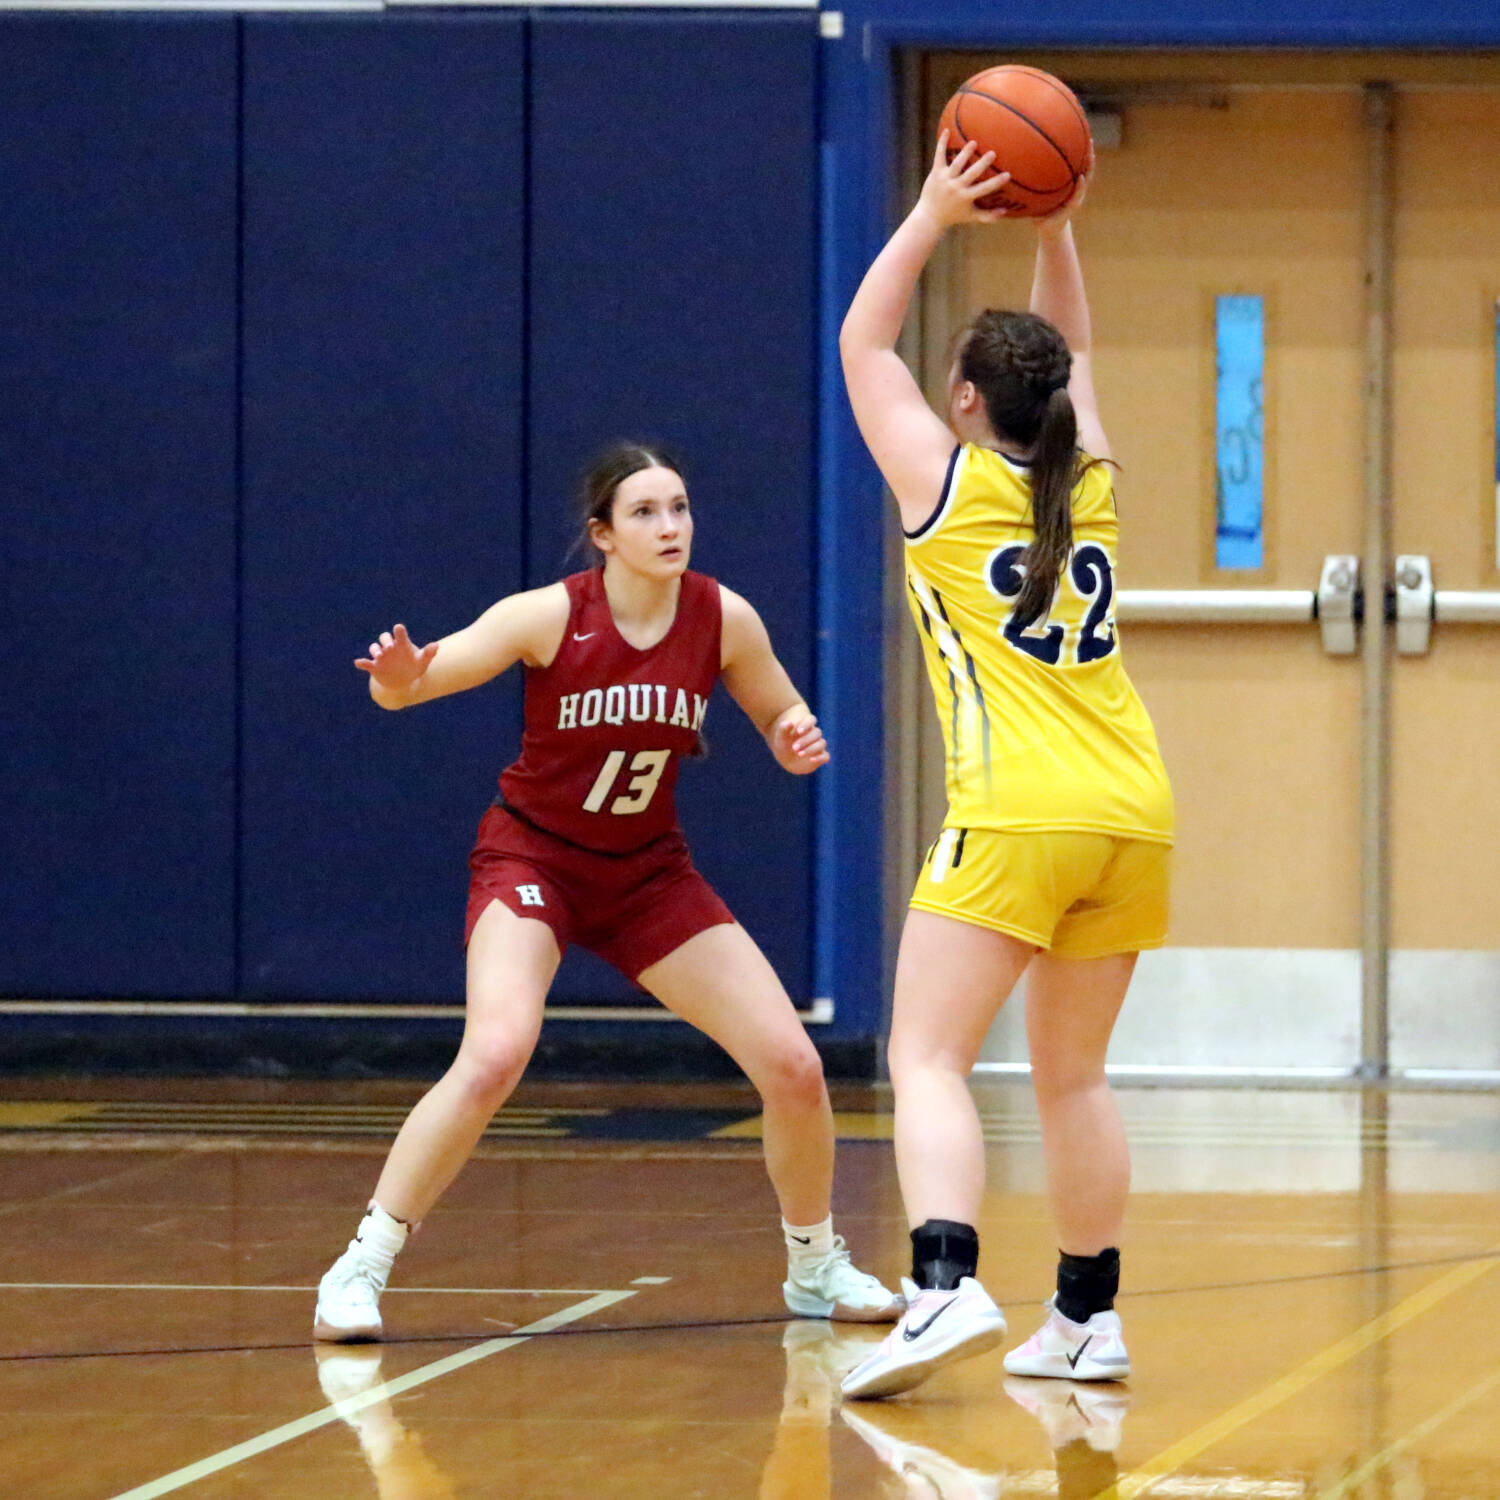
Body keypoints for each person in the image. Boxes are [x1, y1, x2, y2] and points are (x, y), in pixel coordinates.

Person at [314, 443, 903, 1341]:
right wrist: (399, 683)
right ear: (603, 535)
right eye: (645, 512)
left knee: (793, 1066)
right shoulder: (547, 616)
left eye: (680, 507)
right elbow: (423, 679)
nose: (670, 526)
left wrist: (792, 739)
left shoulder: (722, 616)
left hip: (647, 874)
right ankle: (359, 1268)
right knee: (498, 1051)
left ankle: (816, 1265)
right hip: (535, 860)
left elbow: (779, 709)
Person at [836, 139, 1174, 1399]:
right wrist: (1056, 229)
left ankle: (941, 1285)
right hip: (1132, 808)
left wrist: (929, 211)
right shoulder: (1088, 479)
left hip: (1017, 807)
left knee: (923, 1057)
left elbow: (862, 347)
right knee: (1074, 1075)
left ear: (968, 400)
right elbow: (1073, 362)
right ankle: (1086, 1320)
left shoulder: (947, 485)